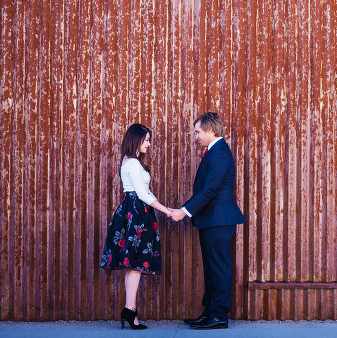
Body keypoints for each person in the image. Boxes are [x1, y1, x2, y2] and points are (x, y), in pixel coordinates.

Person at [170, 112, 246, 330]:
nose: (196, 137)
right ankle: (210, 312)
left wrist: (184, 211)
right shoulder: (214, 152)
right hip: (211, 220)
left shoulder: (220, 154)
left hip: (218, 221)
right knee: (212, 268)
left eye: (198, 132)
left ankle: (219, 316)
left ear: (210, 131)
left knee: (219, 268)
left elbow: (210, 190)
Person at [101, 123, 176, 330]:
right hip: (136, 212)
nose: (149, 144)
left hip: (136, 211)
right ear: (136, 139)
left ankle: (129, 309)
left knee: (133, 263)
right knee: (135, 263)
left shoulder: (131, 162)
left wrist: (162, 207)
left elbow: (145, 192)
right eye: (147, 140)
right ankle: (130, 309)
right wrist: (166, 211)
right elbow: (142, 194)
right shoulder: (133, 164)